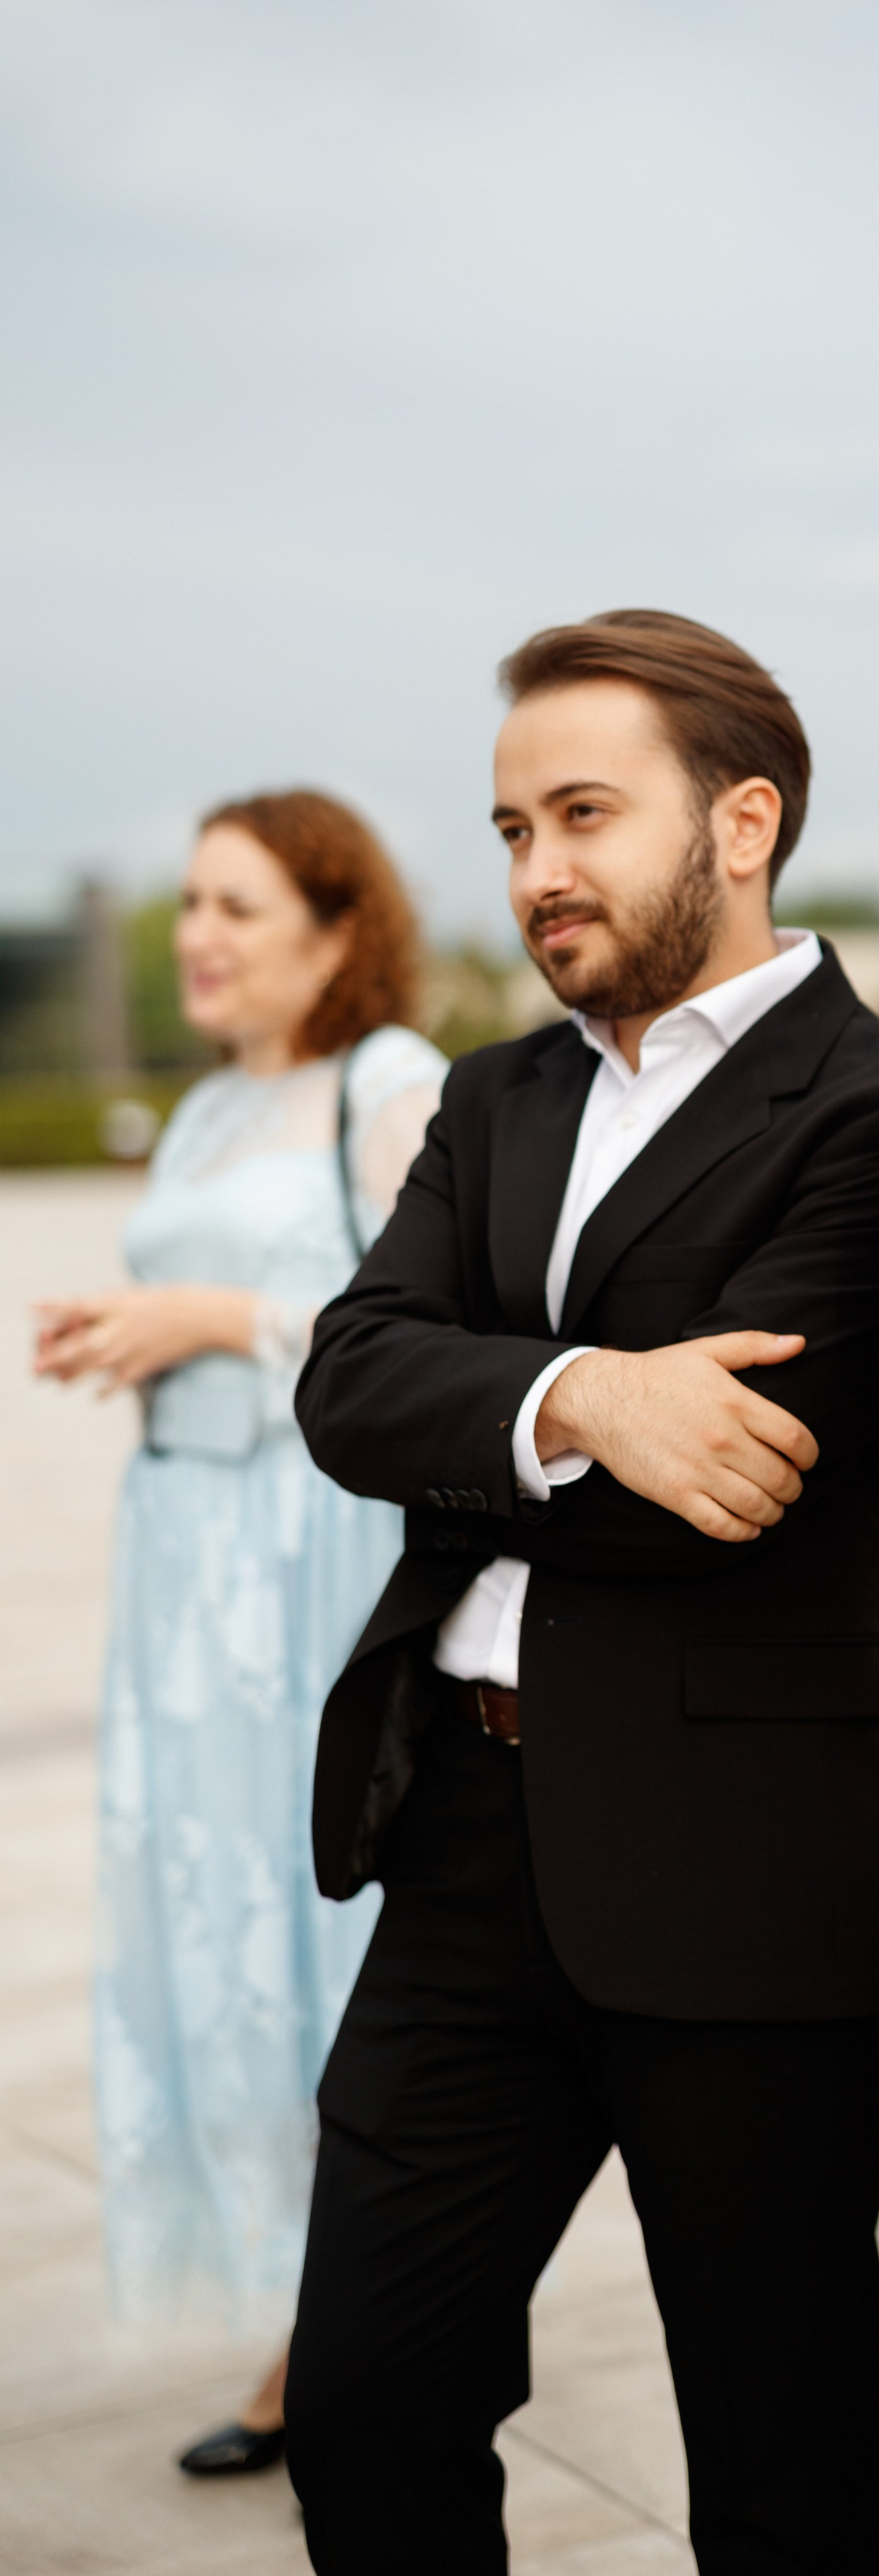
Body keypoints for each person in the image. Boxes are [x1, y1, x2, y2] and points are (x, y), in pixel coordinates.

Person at [283, 610, 879, 2575]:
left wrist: (491, 1422)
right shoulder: (496, 1097)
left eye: (583, 812)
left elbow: (757, 1468)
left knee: (784, 2462)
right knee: (367, 2401)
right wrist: (590, 1393)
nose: (535, 872)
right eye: (510, 825)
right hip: (467, 1841)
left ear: (741, 822)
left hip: (750, 1857)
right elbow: (349, 1377)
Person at [32, 791, 445, 2472]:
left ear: (338, 929)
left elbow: (425, 1328)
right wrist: (137, 1336)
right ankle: (299, 2301)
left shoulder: (388, 1083)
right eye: (191, 901)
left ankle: (333, 2336)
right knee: (211, 1937)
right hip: (186, 1555)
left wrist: (206, 1314)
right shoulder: (205, 1105)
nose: (198, 935)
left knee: (315, 1936)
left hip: (313, 1556)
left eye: (238, 906)